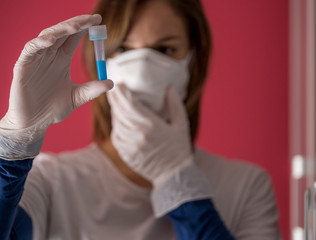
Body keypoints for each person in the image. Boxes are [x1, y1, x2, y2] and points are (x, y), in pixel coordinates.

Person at [0, 0, 281, 239]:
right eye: (122, 49)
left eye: (165, 50)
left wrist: (177, 178)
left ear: (194, 62)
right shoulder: (51, 181)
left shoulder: (246, 187)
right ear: (101, 60)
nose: (143, 70)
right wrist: (15, 143)